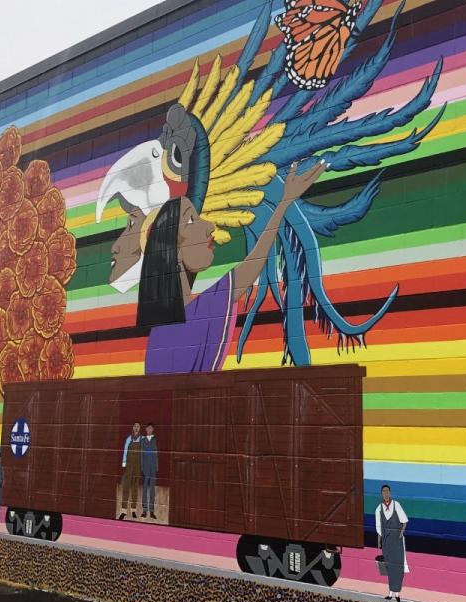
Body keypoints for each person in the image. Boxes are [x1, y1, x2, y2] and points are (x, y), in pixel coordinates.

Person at [137, 159, 325, 374]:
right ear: (173, 249)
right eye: (190, 220)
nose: (209, 227)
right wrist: (285, 202)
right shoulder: (186, 321)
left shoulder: (169, 328)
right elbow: (255, 261)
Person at [375, 484, 408, 602]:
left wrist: (400, 535)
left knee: (398, 567)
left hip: (397, 543)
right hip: (386, 543)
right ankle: (390, 593)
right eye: (383, 491)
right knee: (389, 568)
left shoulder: (396, 505)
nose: (385, 493)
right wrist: (379, 543)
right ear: (381, 493)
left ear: (390, 492)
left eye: (387, 491)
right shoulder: (378, 509)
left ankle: (397, 593)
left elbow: (404, 522)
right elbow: (378, 528)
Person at [119, 422, 142, 520]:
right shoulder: (129, 438)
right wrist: (124, 462)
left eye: (138, 427)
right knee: (126, 487)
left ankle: (133, 510)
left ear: (140, 428)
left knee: (135, 489)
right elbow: (125, 450)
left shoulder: (142, 439)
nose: (136, 428)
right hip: (129, 466)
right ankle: (123, 511)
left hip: (137, 467)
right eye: (135, 426)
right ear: (133, 428)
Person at [141, 422, 158, 520]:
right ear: (146, 429)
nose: (150, 430)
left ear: (153, 430)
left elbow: (156, 454)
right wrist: (142, 467)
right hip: (146, 467)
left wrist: (156, 467)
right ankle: (144, 510)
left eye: (151, 428)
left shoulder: (154, 440)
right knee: (144, 489)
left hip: (153, 468)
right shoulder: (143, 440)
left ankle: (151, 511)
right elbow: (141, 454)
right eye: (148, 428)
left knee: (152, 490)